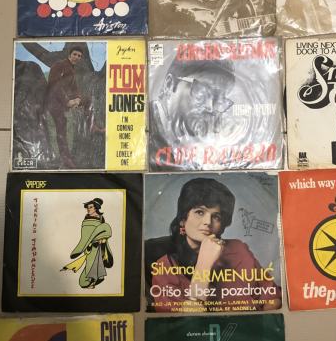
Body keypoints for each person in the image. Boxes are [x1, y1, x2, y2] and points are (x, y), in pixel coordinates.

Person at [146, 178, 281, 311]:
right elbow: (190, 318)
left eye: (216, 216)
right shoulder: (165, 266)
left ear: (222, 225)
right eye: (200, 212)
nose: (208, 222)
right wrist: (204, 263)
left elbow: (273, 297)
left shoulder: (238, 249)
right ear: (182, 219)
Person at [149, 55, 236, 156]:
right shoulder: (142, 129)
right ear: (169, 85)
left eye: (219, 100)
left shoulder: (192, 147)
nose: (210, 108)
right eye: (201, 92)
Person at [43, 44, 88, 168]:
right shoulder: (59, 65)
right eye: (75, 54)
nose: (77, 57)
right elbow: (55, 85)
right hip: (53, 101)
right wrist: (67, 101)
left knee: (88, 100)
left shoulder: (72, 69)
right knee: (61, 125)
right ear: (69, 55)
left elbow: (75, 87)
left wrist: (78, 98)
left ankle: (92, 126)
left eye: (79, 56)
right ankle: (65, 159)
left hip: (65, 100)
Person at [60, 198, 113, 288]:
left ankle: (97, 278)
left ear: (96, 208)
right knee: (90, 263)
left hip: (98, 246)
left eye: (90, 207)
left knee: (96, 262)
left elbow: (105, 230)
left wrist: (102, 239)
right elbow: (85, 235)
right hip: (88, 246)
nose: (88, 209)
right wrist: (84, 246)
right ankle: (89, 281)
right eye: (87, 207)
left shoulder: (101, 218)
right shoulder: (86, 218)